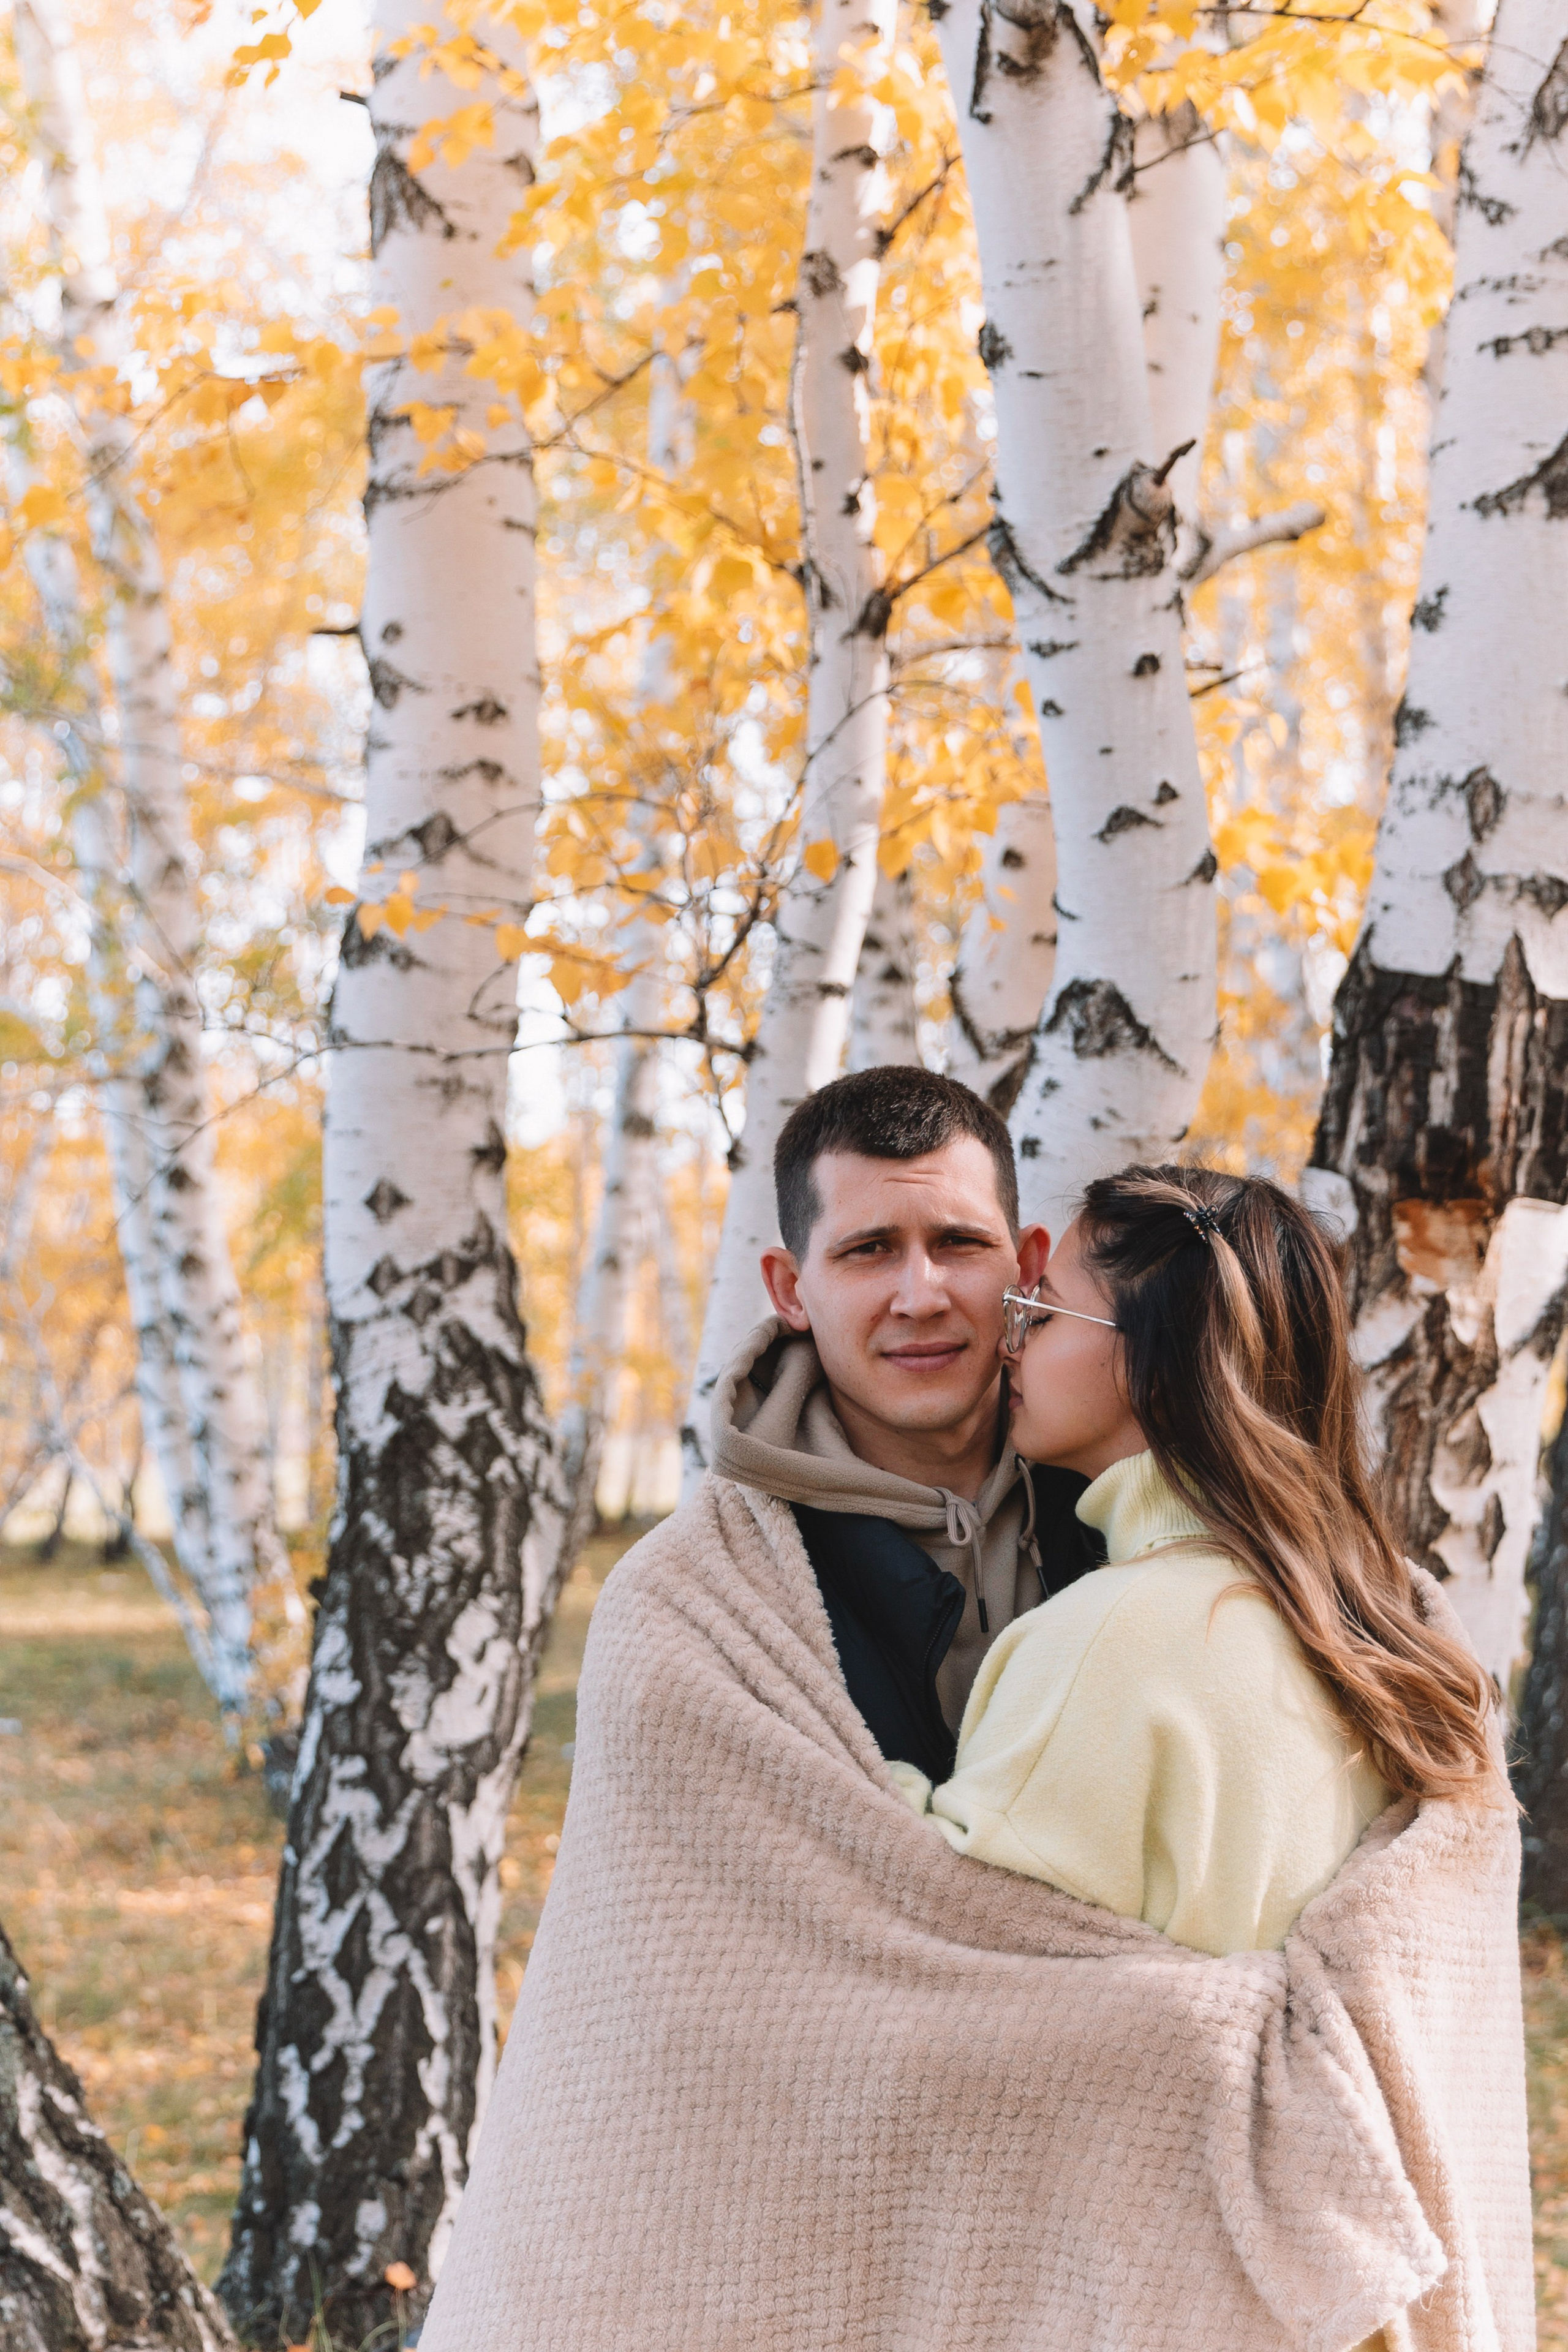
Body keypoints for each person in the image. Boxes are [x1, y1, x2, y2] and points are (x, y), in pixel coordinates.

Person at [893, 1163, 1497, 1956]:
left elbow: (939, 1935)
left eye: (1041, 1316)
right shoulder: (1349, 1620)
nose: (1010, 1348)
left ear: (1160, 1361)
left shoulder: (1108, 1642)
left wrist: (830, 1779)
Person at [710, 1066, 1106, 1783]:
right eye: (868, 1250)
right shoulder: (703, 1593)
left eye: (959, 1242)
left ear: (1026, 1266)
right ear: (790, 1290)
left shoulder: (1136, 1501)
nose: (920, 1298)